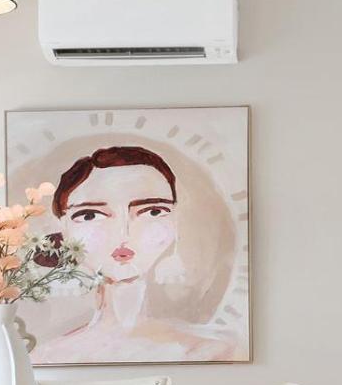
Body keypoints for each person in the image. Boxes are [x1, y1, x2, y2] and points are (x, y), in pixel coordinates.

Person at [34, 146, 239, 362]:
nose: (123, 233)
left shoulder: (210, 351)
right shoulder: (44, 357)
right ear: (63, 229)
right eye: (90, 215)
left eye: (153, 211)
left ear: (175, 222)